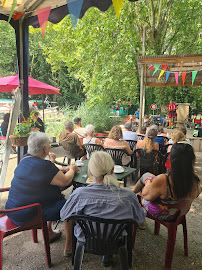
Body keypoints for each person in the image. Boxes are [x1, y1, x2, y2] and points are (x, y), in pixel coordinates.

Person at [5, 132, 79, 256]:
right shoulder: (44, 166)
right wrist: (72, 169)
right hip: (27, 214)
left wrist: (53, 164)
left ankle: (49, 232)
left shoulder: (25, 159)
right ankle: (69, 247)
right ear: (45, 149)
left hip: (12, 210)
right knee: (69, 205)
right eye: (49, 145)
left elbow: (42, 172)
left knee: (53, 194)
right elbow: (65, 181)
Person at [60, 151, 146, 247]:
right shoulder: (129, 196)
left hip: (87, 239)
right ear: (112, 170)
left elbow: (64, 215)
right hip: (116, 239)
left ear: (90, 172)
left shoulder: (79, 194)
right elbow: (140, 218)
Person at [133, 143, 200, 221]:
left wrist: (148, 183)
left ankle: (133, 194)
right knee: (147, 175)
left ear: (171, 159)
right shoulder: (195, 181)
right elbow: (195, 195)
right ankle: (133, 191)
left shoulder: (163, 179)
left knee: (145, 181)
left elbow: (146, 196)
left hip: (164, 213)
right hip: (181, 211)